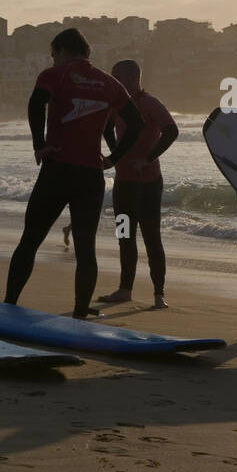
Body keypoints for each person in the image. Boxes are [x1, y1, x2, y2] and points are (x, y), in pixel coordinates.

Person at [5, 28, 144, 318]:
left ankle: (9, 304)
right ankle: (80, 311)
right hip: (90, 176)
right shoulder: (110, 82)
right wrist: (114, 158)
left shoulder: (54, 75)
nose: (52, 60)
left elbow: (35, 103)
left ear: (63, 51)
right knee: (85, 247)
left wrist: (39, 145)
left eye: (53, 54)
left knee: (31, 238)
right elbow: (136, 123)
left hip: (58, 170)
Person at [96, 60, 177, 309]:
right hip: (124, 182)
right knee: (124, 234)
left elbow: (172, 131)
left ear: (132, 78)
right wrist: (115, 156)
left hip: (149, 182)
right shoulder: (118, 105)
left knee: (152, 236)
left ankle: (158, 294)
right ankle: (125, 289)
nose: (112, 80)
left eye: (116, 76)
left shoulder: (149, 103)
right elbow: (107, 128)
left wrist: (148, 158)